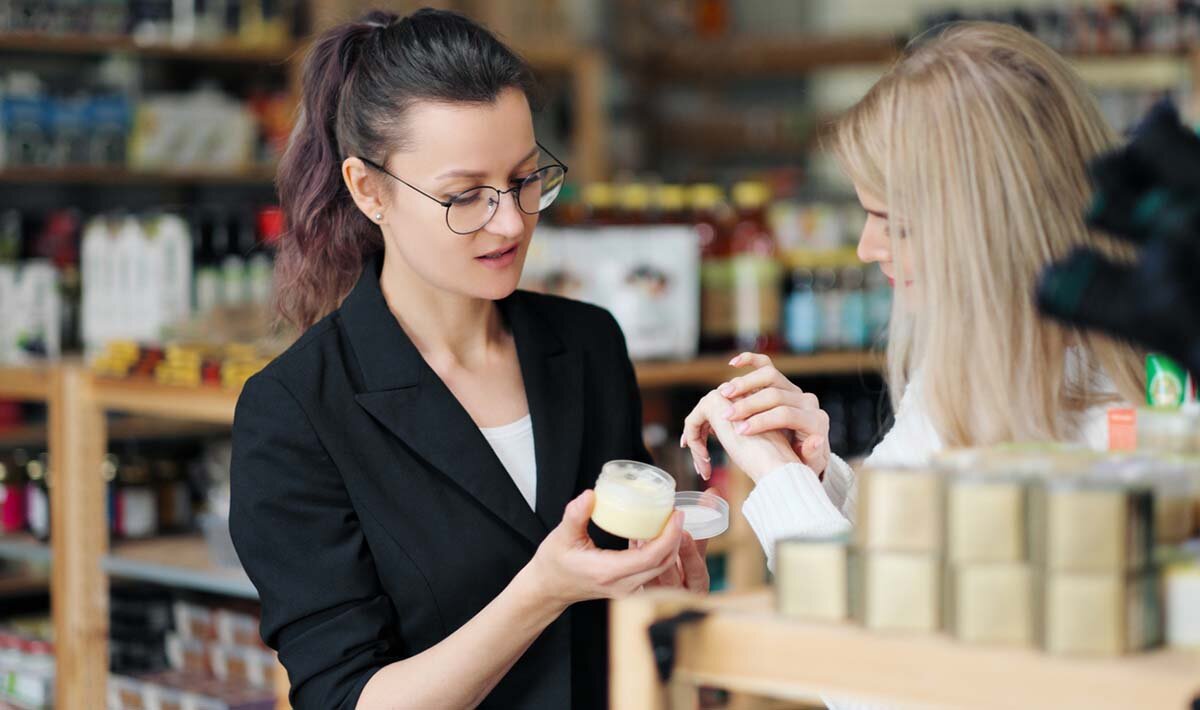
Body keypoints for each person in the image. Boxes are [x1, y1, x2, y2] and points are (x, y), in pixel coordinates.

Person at [228, 10, 716, 709]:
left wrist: (667, 601)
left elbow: (621, 624)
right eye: (465, 197)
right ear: (369, 191)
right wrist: (540, 593)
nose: (511, 222)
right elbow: (344, 698)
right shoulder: (296, 411)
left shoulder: (586, 345)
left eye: (525, 180)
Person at [681, 22, 1148, 571]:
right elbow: (893, 554)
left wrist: (778, 476)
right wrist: (816, 475)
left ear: (991, 220)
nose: (865, 248)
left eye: (892, 222)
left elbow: (875, 626)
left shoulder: (1124, 414)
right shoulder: (968, 361)